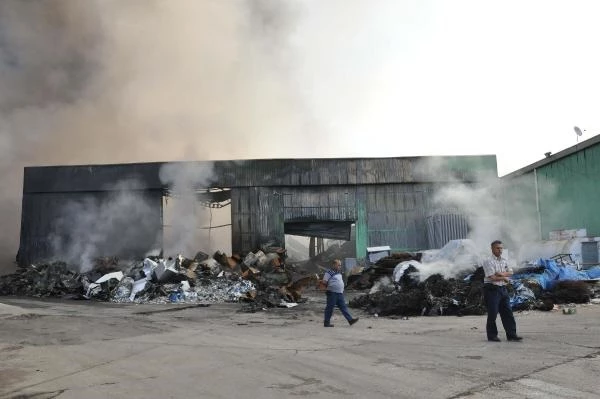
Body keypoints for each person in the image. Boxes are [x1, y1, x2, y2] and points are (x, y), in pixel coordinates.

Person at [482, 240, 523, 342]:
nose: (500, 250)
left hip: (503, 289)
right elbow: (492, 277)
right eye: (497, 248)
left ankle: (512, 335)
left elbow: (511, 272)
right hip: (492, 290)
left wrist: (500, 274)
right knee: (493, 313)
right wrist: (504, 277)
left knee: (508, 312)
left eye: (501, 248)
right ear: (492, 249)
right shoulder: (488, 261)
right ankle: (492, 336)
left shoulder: (504, 260)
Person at [319, 259, 359, 327]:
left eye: (340, 265)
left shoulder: (339, 273)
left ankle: (350, 320)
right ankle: (326, 323)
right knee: (330, 308)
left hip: (339, 293)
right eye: (338, 265)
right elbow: (324, 282)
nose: (340, 266)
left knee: (343, 307)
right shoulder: (328, 273)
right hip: (332, 293)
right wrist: (324, 287)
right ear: (334, 265)